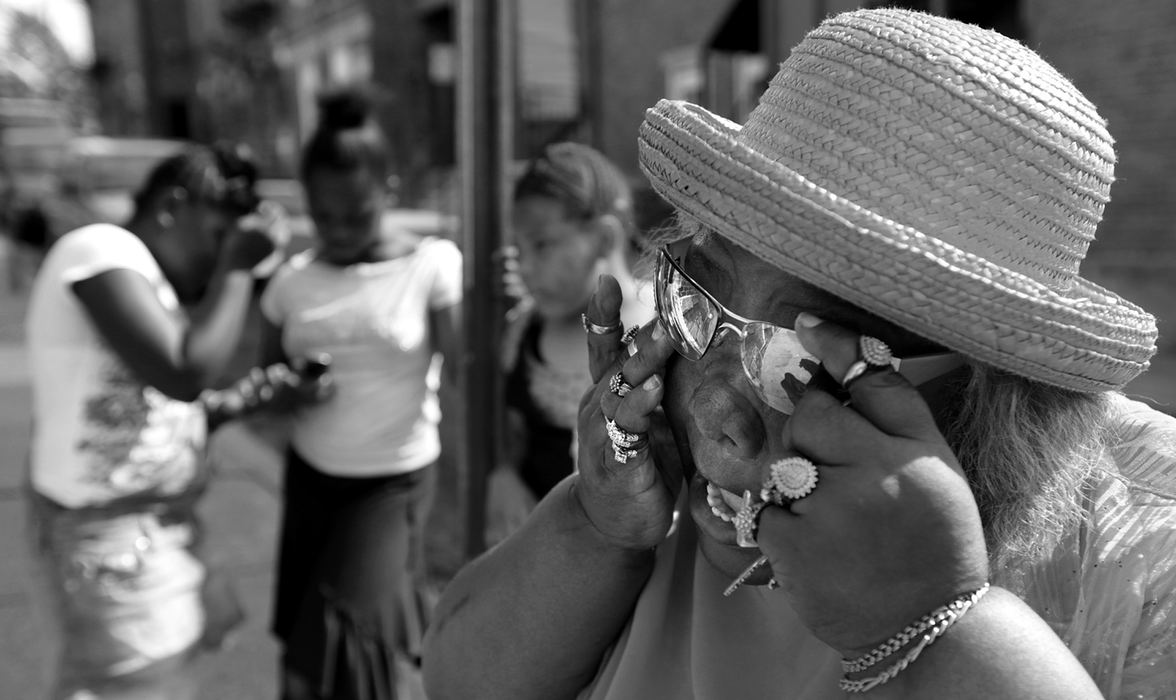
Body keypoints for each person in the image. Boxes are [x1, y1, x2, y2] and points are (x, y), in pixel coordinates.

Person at [422, 9, 1176, 700]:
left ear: (998, 395)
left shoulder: (1149, 551)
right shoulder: (652, 483)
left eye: (806, 362)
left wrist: (936, 621)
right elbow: (458, 682)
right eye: (697, 299)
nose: (715, 415)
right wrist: (593, 523)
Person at [24, 142, 285, 699]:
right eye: (217, 237)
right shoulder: (99, 246)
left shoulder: (146, 280)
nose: (218, 258)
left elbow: (152, 406)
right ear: (172, 206)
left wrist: (233, 407)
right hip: (110, 537)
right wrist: (238, 268)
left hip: (146, 532)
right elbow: (184, 372)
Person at [260, 86, 462, 700]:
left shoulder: (430, 265)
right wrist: (289, 389)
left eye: (358, 213)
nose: (341, 230)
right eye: (324, 217)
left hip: (392, 479)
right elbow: (265, 386)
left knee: (347, 637)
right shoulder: (289, 282)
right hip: (312, 479)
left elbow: (464, 368)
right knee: (304, 649)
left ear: (389, 190)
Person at [487, 141, 653, 543]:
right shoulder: (525, 330)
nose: (525, 268)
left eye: (542, 245)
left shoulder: (662, 328)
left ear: (603, 238)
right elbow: (507, 425)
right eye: (520, 249)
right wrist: (503, 473)